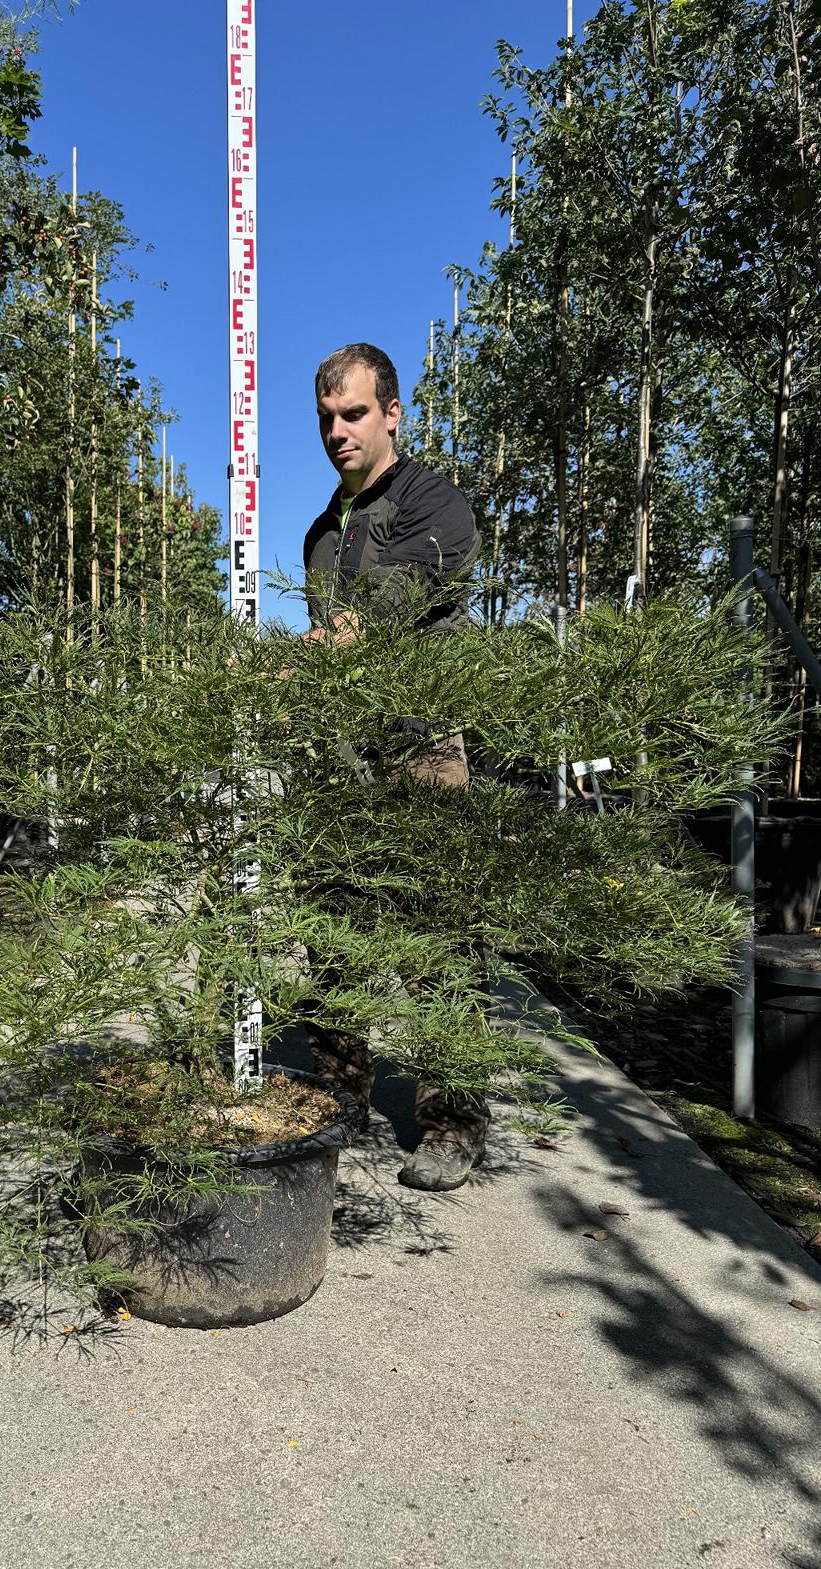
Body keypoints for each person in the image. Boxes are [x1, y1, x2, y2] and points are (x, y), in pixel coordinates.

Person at [300, 341, 487, 1191]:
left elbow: (395, 599)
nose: (339, 432)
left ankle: (453, 1121)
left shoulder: (433, 504)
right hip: (340, 759)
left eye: (355, 414)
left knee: (439, 937)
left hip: (421, 748)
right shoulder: (319, 534)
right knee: (332, 935)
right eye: (328, 418)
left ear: (392, 414)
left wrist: (304, 654)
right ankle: (342, 1097)